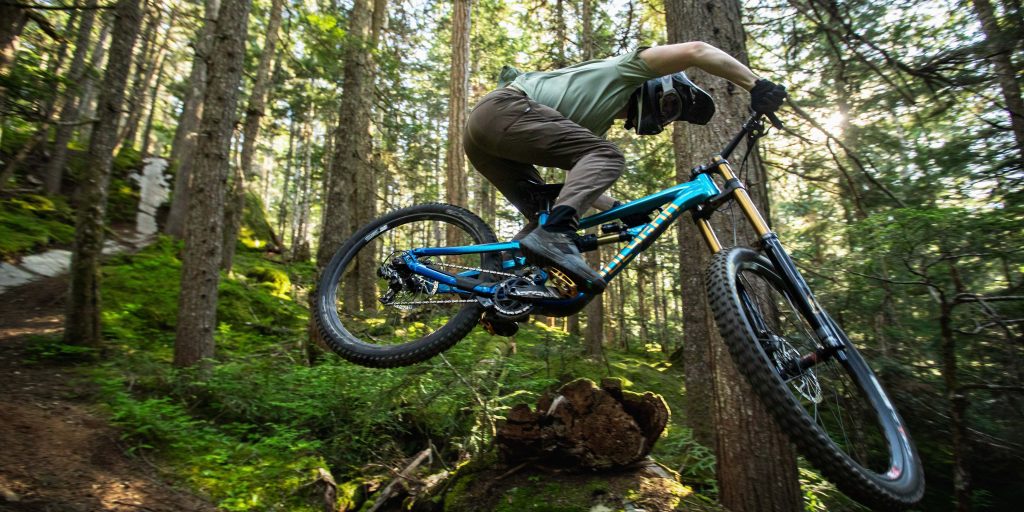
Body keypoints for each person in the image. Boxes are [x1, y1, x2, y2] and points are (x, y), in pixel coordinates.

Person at [464, 42, 787, 294]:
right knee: (602, 165)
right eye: (670, 105)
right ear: (657, 84)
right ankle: (554, 236)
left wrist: (621, 209)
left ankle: (491, 287)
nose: (664, 116)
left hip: (485, 137)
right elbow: (697, 51)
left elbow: (579, 188)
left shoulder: (593, 130)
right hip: (505, 109)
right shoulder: (626, 70)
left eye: (670, 117)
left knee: (544, 215)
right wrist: (755, 85)